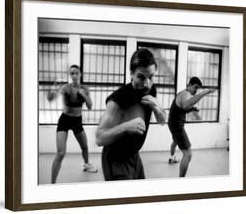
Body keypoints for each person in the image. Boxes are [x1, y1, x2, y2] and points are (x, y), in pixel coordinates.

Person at [96, 48, 167, 181]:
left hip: (134, 155)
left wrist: (157, 109)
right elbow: (100, 139)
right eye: (141, 77)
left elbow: (163, 121)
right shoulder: (117, 100)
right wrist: (126, 126)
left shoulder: (151, 89)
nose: (147, 84)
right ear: (131, 74)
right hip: (116, 159)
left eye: (151, 76)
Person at [48, 64, 98, 184]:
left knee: (85, 147)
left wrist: (84, 95)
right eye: (72, 73)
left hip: (77, 121)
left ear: (80, 74)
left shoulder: (85, 88)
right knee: (61, 153)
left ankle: (86, 164)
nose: (74, 75)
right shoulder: (66, 88)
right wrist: (54, 87)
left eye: (76, 73)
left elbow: (90, 106)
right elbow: (50, 99)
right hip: (64, 120)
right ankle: (52, 184)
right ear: (70, 75)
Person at [167, 77, 214, 177]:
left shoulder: (184, 94)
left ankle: (171, 157)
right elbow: (185, 105)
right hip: (177, 127)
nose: (196, 90)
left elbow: (182, 108)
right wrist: (204, 93)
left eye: (198, 89)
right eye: (195, 87)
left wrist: (192, 109)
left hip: (172, 124)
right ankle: (181, 181)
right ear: (189, 85)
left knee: (175, 142)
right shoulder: (185, 94)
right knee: (188, 154)